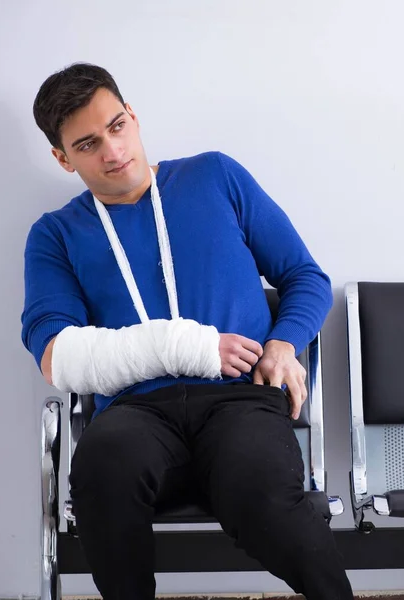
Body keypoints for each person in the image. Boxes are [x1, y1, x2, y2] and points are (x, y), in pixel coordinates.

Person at [21, 63, 353, 600]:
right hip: (135, 411)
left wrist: (284, 342)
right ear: (63, 158)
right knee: (101, 471)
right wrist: (174, 348)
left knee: (264, 492)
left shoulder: (214, 176)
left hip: (239, 399)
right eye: (87, 144)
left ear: (133, 116)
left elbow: (304, 277)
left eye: (117, 125)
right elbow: (58, 355)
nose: (112, 150)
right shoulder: (55, 235)